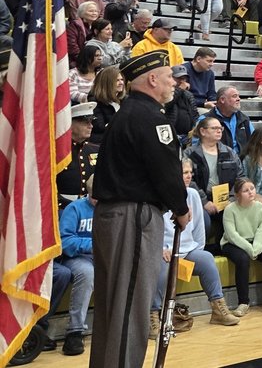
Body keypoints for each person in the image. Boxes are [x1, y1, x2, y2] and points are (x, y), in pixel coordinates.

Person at [89, 51, 190, 368]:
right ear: (152, 79)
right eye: (169, 76)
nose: (173, 82)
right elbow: (166, 170)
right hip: (133, 217)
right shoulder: (151, 118)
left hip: (114, 215)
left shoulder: (126, 113)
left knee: (113, 306)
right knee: (131, 306)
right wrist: (181, 208)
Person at [151, 158, 240, 332]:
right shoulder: (157, 196)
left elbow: (199, 226)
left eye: (190, 172)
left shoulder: (192, 194)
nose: (189, 176)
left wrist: (197, 248)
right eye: (185, 172)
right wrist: (159, 250)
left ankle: (218, 309)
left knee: (207, 259)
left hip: (187, 249)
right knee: (160, 270)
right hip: (164, 251)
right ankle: (153, 316)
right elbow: (150, 229)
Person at [222, 177, 262, 316]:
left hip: (255, 242)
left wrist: (256, 249)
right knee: (242, 259)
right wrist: (249, 249)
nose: (250, 192)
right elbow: (232, 235)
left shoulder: (261, 208)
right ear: (237, 195)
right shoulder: (230, 209)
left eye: (252, 189)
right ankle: (243, 302)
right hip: (233, 243)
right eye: (245, 190)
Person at [58, 176, 97, 356]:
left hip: (104, 257)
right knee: (87, 273)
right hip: (77, 258)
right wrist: (93, 245)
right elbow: (64, 242)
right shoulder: (75, 209)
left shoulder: (112, 209)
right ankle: (75, 331)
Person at [185, 115, 241, 235]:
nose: (219, 130)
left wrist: (230, 199)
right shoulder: (190, 153)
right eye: (214, 128)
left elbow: (240, 177)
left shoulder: (230, 152)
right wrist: (204, 201)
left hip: (226, 199)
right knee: (205, 223)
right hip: (200, 199)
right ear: (203, 131)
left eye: (220, 128)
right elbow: (188, 180)